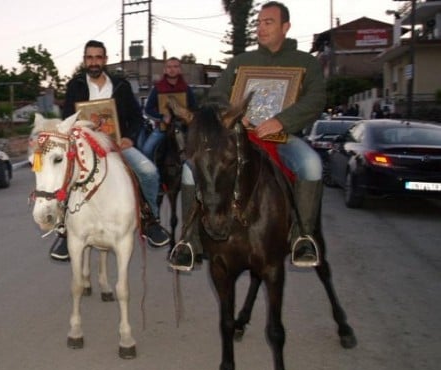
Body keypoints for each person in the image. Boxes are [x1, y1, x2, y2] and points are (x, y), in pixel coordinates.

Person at [169, 1, 326, 270]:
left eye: (269, 22)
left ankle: (302, 235)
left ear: (285, 27)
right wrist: (234, 113)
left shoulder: (305, 63)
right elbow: (217, 94)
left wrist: (281, 121)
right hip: (240, 138)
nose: (261, 28)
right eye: (259, 22)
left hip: (284, 138)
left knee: (312, 165)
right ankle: (189, 240)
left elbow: (316, 98)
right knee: (188, 171)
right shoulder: (241, 62)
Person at [49, 39, 170, 261]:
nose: (93, 62)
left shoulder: (121, 85)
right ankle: (65, 231)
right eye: (89, 57)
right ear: (85, 60)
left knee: (149, 172)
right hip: (84, 147)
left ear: (105, 60)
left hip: (117, 147)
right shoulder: (75, 86)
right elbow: (67, 118)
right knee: (62, 178)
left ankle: (149, 220)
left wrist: (128, 137)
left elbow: (135, 118)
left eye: (98, 57)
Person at [141, 57, 197, 160]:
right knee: (146, 150)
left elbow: (195, 108)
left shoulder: (186, 89)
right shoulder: (157, 88)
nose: (172, 69)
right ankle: (151, 174)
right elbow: (147, 109)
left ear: (180, 69)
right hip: (163, 128)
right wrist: (162, 117)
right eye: (169, 67)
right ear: (165, 70)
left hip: (184, 128)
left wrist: (188, 116)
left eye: (175, 67)